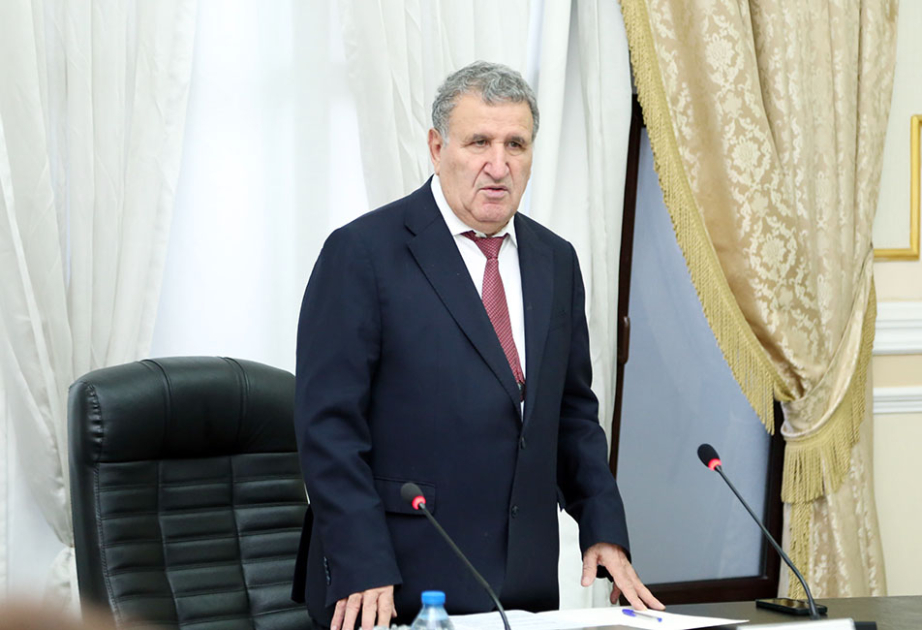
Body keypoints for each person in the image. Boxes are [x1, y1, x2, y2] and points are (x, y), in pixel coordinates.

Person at [292, 61, 663, 630]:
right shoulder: (363, 253)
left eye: (516, 144)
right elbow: (328, 430)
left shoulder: (555, 260)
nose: (498, 164)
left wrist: (602, 526)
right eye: (479, 142)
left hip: (523, 585)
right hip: (394, 584)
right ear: (437, 147)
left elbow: (570, 414)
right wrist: (360, 561)